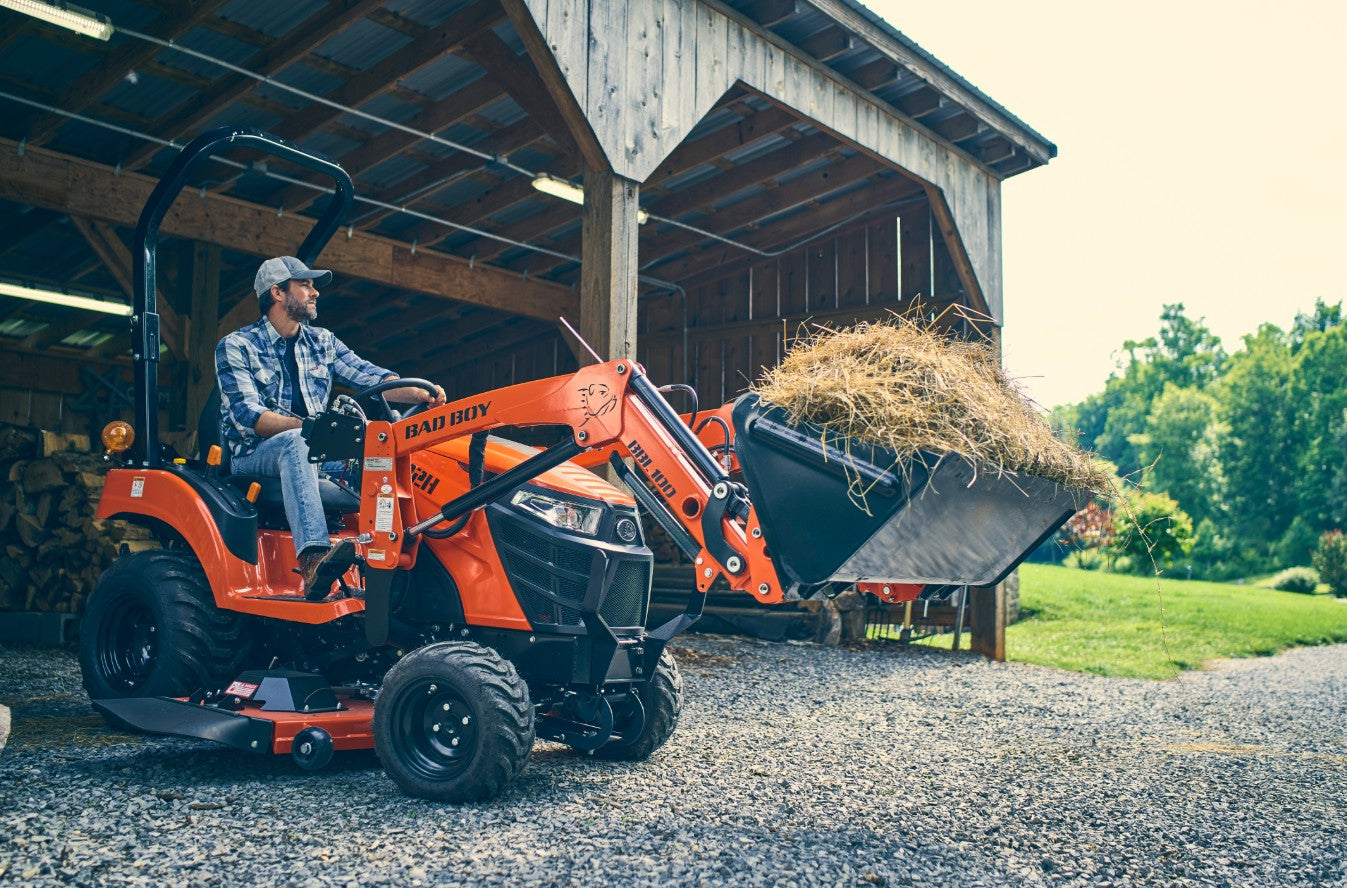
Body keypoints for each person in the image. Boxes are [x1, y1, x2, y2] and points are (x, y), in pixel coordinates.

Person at [215, 256, 445, 599]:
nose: (315, 293)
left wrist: (420, 391)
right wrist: (315, 429)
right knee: (297, 441)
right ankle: (313, 560)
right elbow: (251, 417)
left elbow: (372, 376)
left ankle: (405, 563)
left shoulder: (323, 342)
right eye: (305, 285)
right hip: (254, 455)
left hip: (317, 452)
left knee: (382, 456)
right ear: (277, 293)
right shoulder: (237, 346)